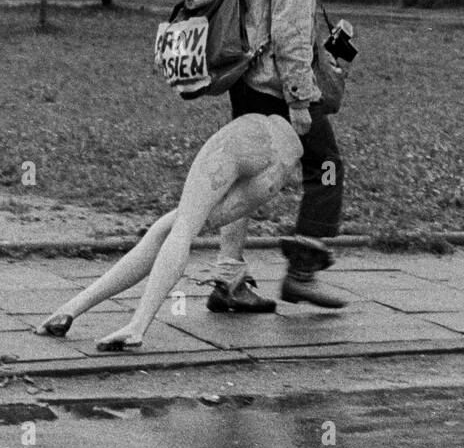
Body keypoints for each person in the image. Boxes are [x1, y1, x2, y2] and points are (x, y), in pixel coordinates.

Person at [206, 0, 350, 313]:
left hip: (245, 79)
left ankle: (228, 279)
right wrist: (301, 100)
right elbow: (290, 36)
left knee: (245, 174)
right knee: (325, 167)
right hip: (277, 87)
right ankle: (302, 273)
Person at [34, 113, 302, 349]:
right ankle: (72, 309)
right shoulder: (323, 69)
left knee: (180, 229)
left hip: (245, 138)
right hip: (282, 161)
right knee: (174, 227)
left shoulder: (282, 59)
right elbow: (307, 120)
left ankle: (135, 326)